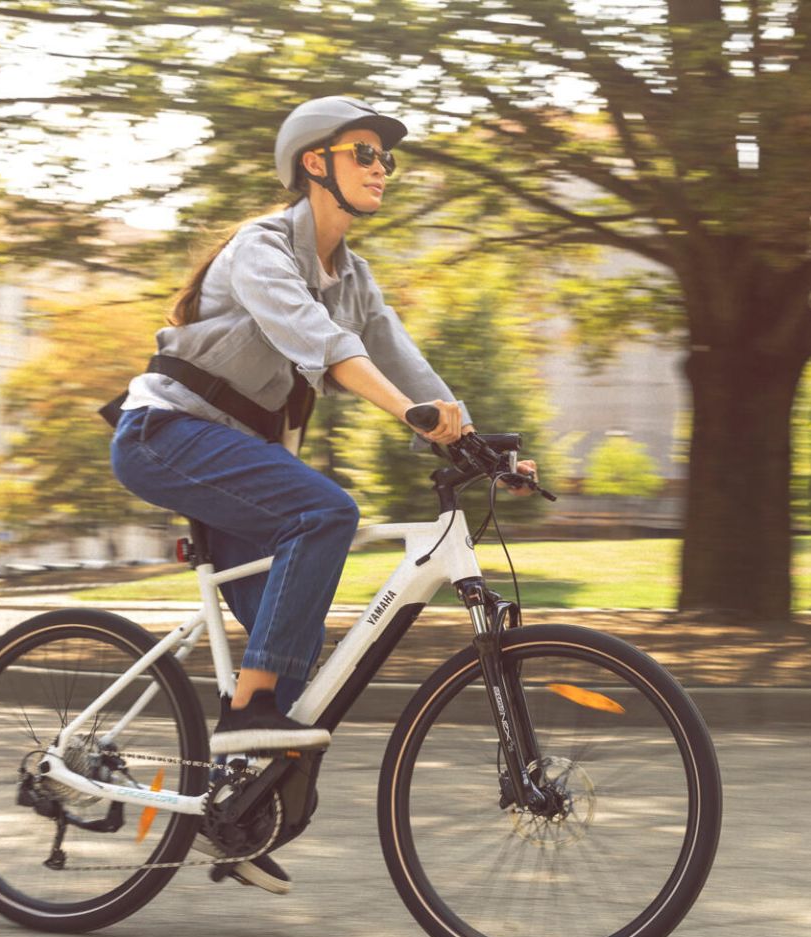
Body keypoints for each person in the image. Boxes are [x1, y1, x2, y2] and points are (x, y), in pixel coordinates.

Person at [109, 96, 536, 893]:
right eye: (365, 153)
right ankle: (246, 712)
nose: (381, 169)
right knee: (326, 511)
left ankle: (234, 816)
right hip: (164, 437)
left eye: (385, 158)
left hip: (231, 457)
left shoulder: (355, 277)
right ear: (315, 162)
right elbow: (322, 344)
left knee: (304, 682)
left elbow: (404, 360)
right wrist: (410, 416)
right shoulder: (261, 248)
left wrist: (476, 440)